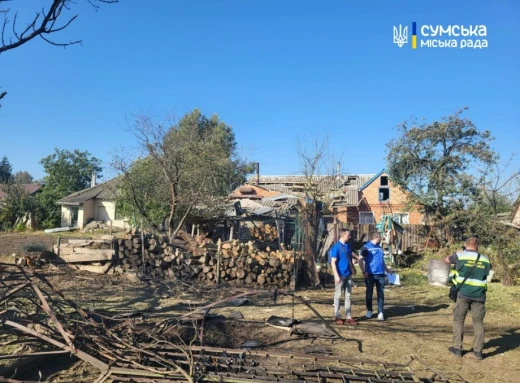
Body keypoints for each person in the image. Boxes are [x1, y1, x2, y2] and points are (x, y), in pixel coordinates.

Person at [443, 236, 491, 360]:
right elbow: (488, 273)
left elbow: (446, 260)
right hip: (479, 295)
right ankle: (478, 351)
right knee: (478, 323)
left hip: (463, 294)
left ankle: (458, 349)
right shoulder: (485, 259)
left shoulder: (460, 256)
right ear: (478, 246)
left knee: (459, 321)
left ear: (465, 245)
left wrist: (457, 253)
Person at [358, 231, 393, 321]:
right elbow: (360, 260)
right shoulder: (366, 247)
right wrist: (363, 271)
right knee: (369, 293)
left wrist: (387, 270)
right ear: (375, 237)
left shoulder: (380, 248)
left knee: (381, 293)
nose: (381, 239)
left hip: (381, 274)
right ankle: (369, 310)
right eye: (379, 237)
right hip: (370, 274)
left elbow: (382, 261)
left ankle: (380, 312)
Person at [330, 229, 359, 325]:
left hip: (348, 274)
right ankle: (337, 316)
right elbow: (333, 262)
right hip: (340, 275)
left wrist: (353, 261)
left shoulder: (348, 246)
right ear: (343, 235)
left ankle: (348, 316)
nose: (349, 237)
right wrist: (336, 276)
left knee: (348, 296)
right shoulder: (336, 247)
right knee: (338, 296)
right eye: (348, 235)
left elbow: (349, 257)